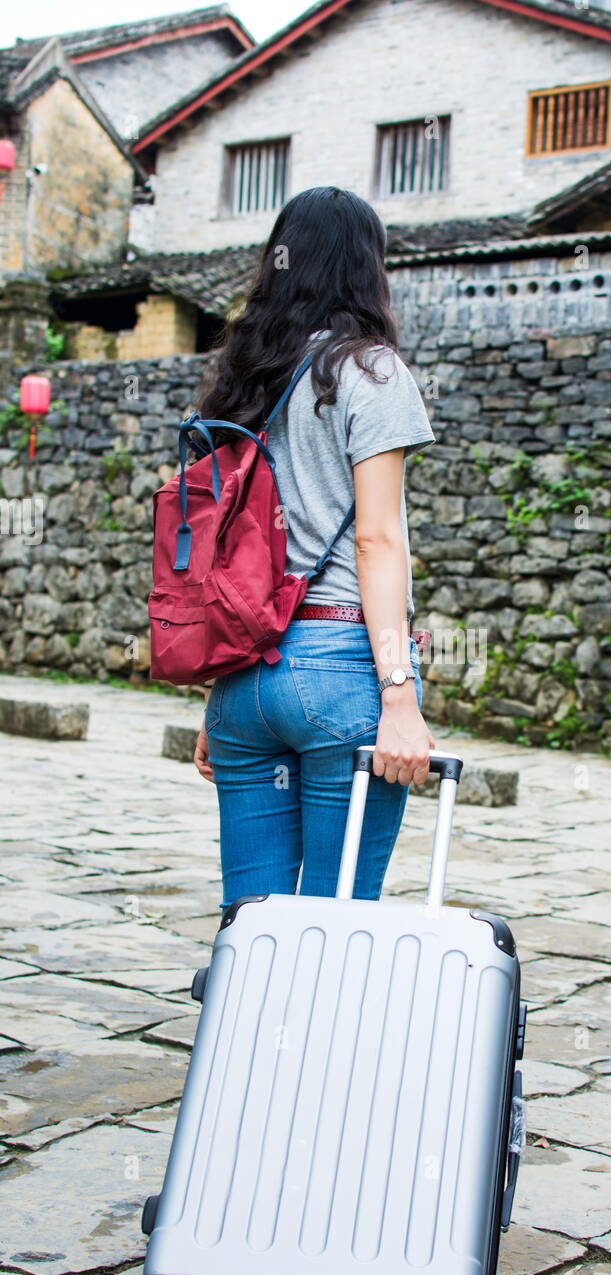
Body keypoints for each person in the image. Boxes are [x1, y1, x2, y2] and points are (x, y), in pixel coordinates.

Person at [192, 186, 435, 906]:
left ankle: (245, 1022)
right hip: (336, 671)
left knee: (252, 926)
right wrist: (398, 695)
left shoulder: (243, 380)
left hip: (245, 682)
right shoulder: (370, 372)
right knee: (336, 926)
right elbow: (377, 538)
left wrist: (217, 698)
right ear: (368, 269)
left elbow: (227, 551)